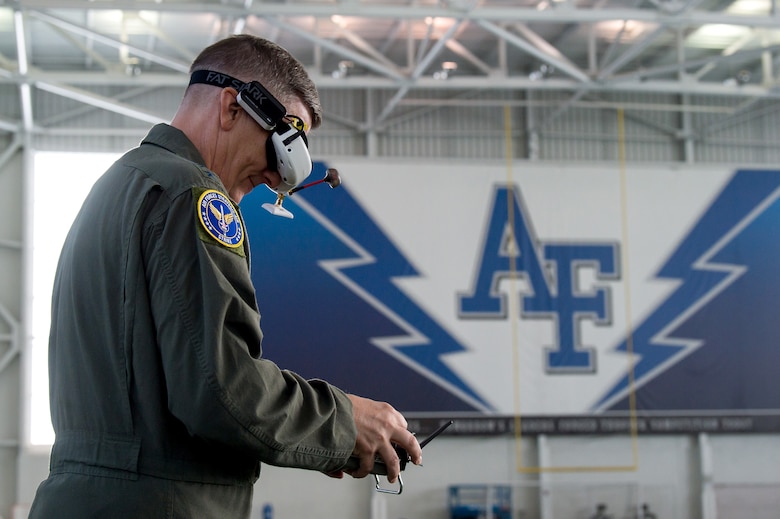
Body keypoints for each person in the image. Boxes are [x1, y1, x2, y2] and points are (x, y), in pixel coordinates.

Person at [28, 34, 421, 518]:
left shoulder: (119, 186)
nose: (278, 178)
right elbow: (221, 391)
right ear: (232, 108)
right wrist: (346, 421)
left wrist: (318, 443)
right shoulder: (192, 194)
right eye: (280, 146)